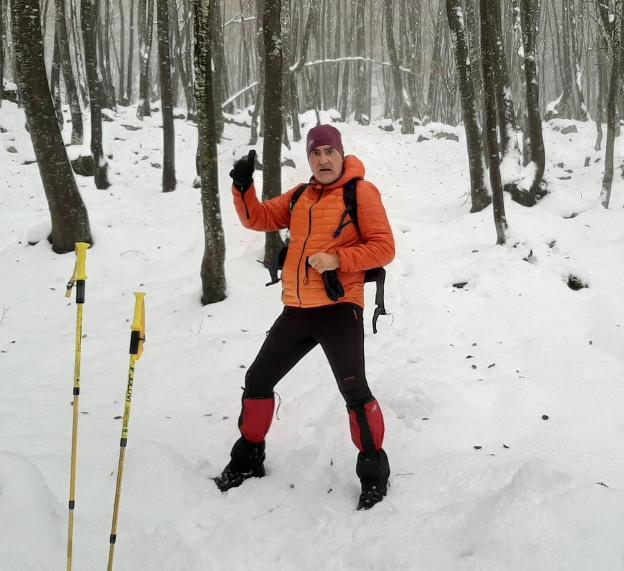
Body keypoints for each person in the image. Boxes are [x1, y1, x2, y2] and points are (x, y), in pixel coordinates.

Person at [214, 124, 395, 510]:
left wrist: (338, 258)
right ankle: (248, 458)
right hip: (297, 309)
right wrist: (243, 186)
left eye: (330, 151)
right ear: (309, 159)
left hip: (339, 309)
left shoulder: (360, 192)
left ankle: (374, 475)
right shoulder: (300, 197)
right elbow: (257, 218)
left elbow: (383, 248)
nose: (323, 159)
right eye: (316, 153)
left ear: (341, 154)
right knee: (258, 380)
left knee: (355, 393)